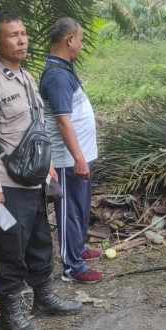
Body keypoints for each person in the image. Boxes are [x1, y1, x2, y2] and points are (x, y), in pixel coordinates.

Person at [0, 12, 81, 330]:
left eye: (24, 33)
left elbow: (37, 129)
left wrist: (48, 168)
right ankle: (11, 314)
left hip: (34, 181)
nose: (21, 40)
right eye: (13, 35)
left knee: (39, 241)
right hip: (6, 186)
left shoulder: (26, 78)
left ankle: (43, 297)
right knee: (10, 248)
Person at [40, 17, 102, 283]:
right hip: (67, 159)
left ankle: (78, 248)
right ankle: (72, 266)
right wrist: (78, 158)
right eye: (80, 39)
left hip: (79, 156)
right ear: (69, 40)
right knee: (70, 210)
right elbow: (63, 121)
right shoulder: (56, 76)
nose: (81, 44)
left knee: (80, 206)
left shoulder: (63, 69)